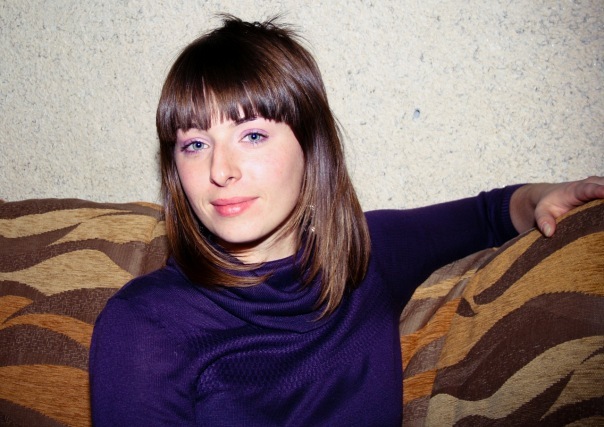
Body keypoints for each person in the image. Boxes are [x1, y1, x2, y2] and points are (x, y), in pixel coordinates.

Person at [89, 15, 604, 426]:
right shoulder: (144, 327)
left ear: (310, 147)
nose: (220, 171)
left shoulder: (367, 257)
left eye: (253, 135)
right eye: (195, 144)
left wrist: (544, 196)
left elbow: (489, 213)